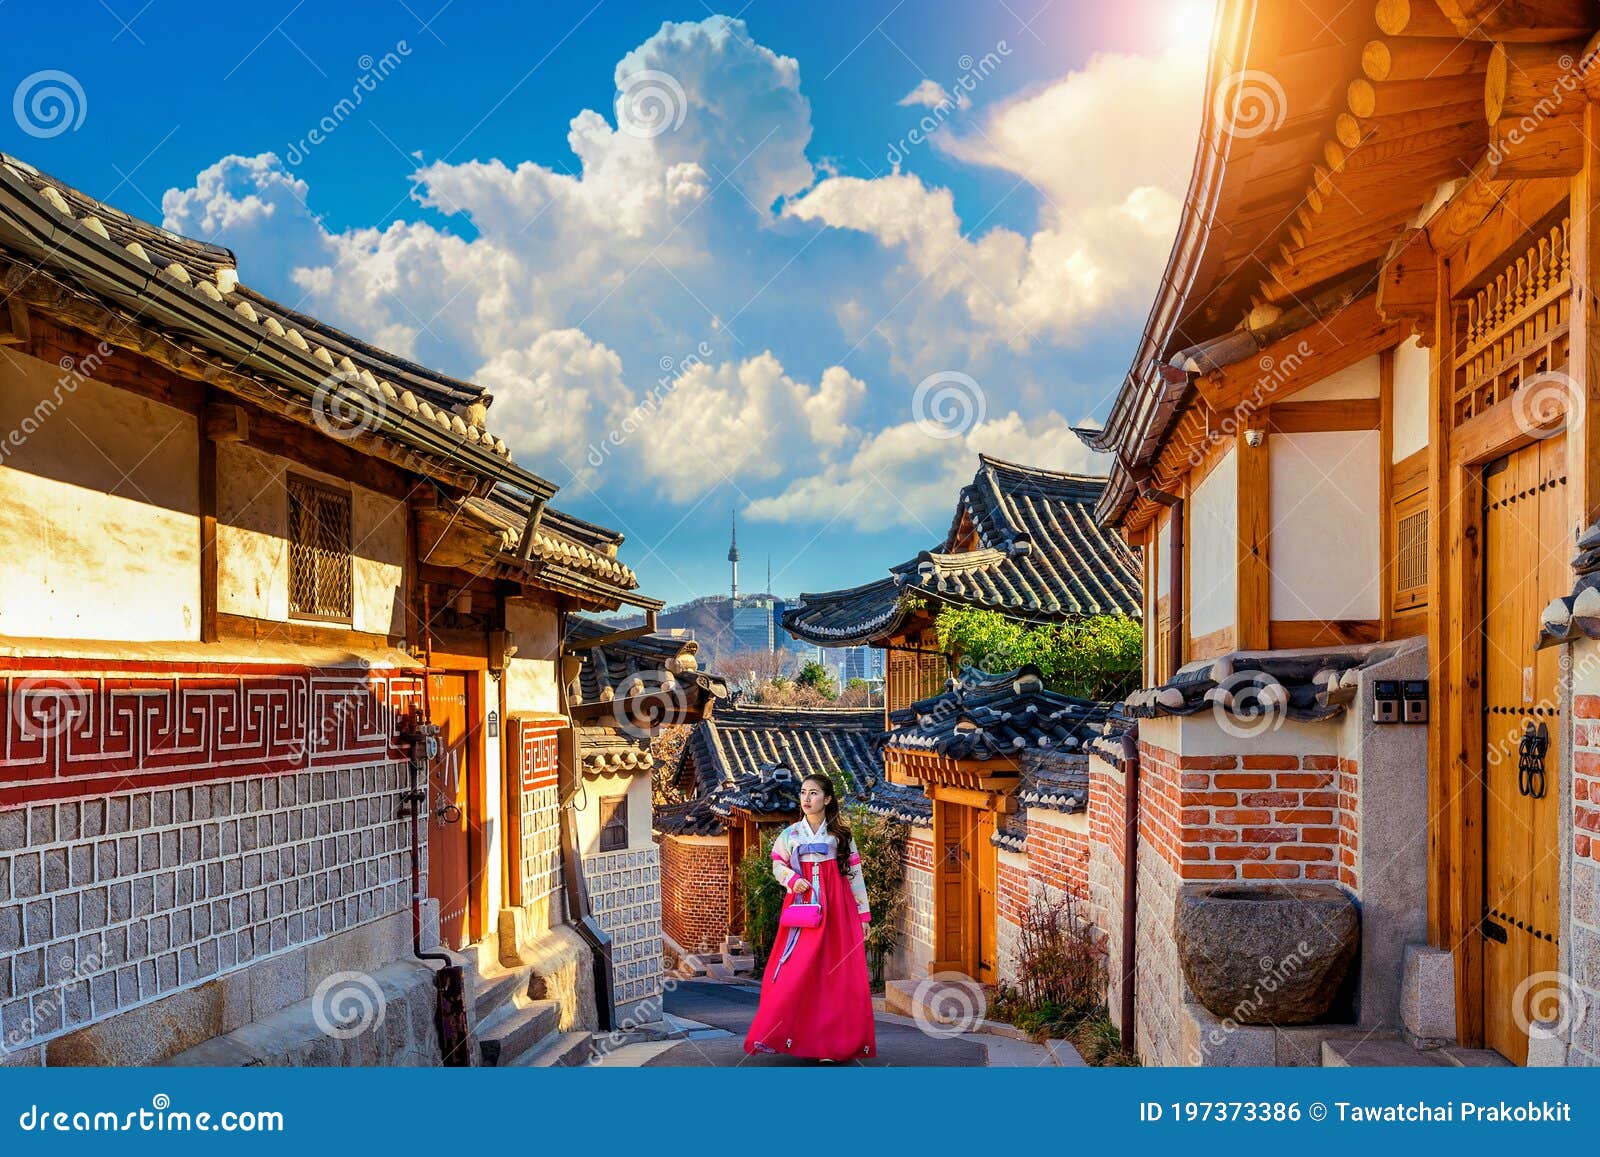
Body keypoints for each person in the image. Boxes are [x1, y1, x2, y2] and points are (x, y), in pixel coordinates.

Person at [744, 771, 876, 1061]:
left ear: (827, 799)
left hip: (838, 909)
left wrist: (863, 917)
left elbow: (854, 876)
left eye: (813, 793)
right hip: (803, 910)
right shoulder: (790, 834)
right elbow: (778, 864)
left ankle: (829, 1044)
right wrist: (792, 880)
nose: (807, 798)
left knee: (835, 974)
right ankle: (787, 1034)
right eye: (803, 792)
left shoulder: (840, 836)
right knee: (794, 971)